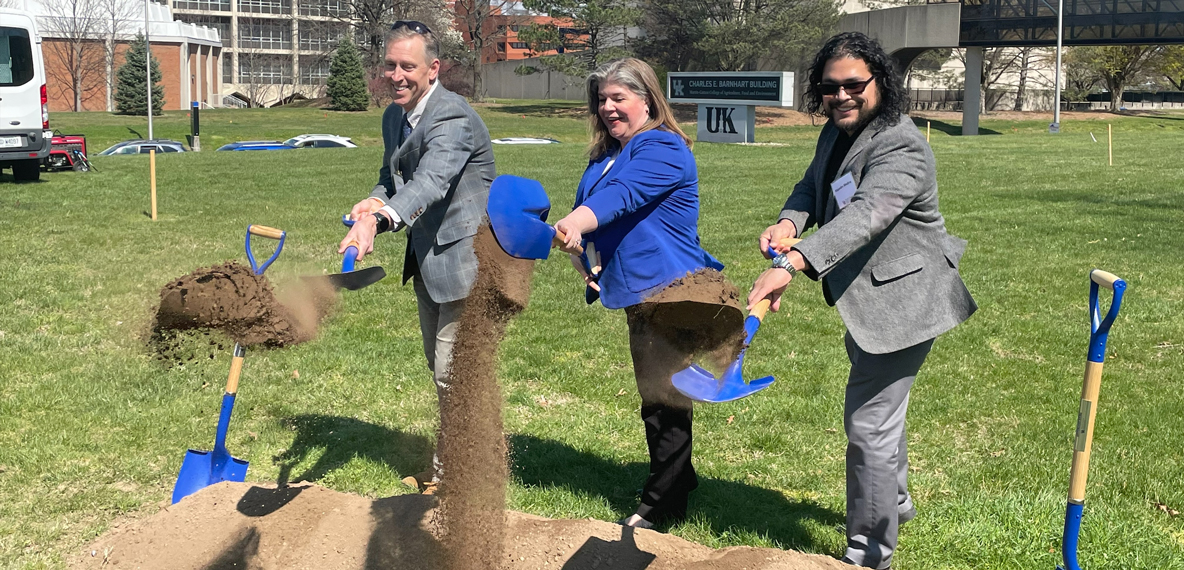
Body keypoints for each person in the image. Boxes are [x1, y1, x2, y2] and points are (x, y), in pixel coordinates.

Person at [747, 32, 977, 569]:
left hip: (908, 300)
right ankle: (895, 501)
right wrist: (789, 221)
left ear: (880, 81)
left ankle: (869, 552)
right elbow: (813, 185)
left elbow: (867, 214)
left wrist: (794, 262)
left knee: (870, 424)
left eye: (854, 84)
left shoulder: (902, 144)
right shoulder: (838, 130)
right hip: (868, 297)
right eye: (830, 87)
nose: (842, 95)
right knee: (881, 415)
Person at [553, 58, 725, 530]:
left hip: (673, 290)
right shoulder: (604, 156)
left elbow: (620, 198)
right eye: (602, 99)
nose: (608, 108)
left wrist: (578, 223)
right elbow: (592, 211)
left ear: (647, 100)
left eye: (619, 98)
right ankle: (678, 479)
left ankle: (662, 504)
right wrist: (584, 257)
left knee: (664, 400)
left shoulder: (663, 148)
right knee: (657, 393)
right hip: (637, 290)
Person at [339, 20, 495, 495]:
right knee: (441, 368)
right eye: (390, 65)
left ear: (434, 68)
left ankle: (457, 480)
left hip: (471, 260)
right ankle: (465, 461)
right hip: (428, 257)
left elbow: (430, 181)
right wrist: (372, 201)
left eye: (408, 66)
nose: (397, 75)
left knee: (454, 373)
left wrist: (380, 221)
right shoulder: (394, 116)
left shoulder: (452, 116)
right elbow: (394, 177)